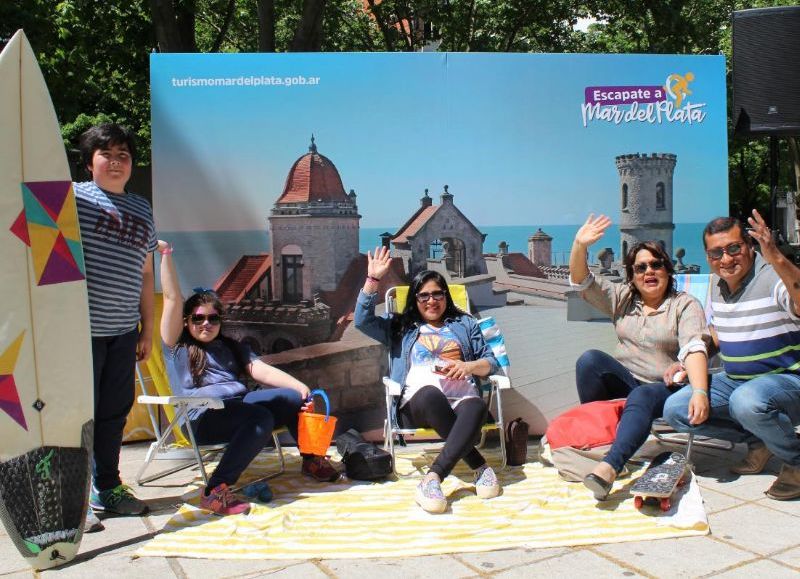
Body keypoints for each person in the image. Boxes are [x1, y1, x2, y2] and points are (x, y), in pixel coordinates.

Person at [158, 240, 340, 515]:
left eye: (213, 318)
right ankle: (216, 489)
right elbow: (172, 298)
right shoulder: (178, 348)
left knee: (291, 398)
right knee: (259, 418)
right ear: (186, 321)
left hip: (238, 406)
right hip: (201, 418)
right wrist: (166, 254)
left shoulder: (230, 346)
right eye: (198, 318)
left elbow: (259, 370)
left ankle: (311, 459)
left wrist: (300, 387)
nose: (206, 324)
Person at [569, 214, 710, 501]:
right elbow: (581, 280)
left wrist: (692, 380)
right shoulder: (623, 299)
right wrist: (579, 245)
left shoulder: (684, 305)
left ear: (668, 270)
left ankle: (611, 466)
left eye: (656, 265)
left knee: (644, 394)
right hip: (628, 382)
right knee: (589, 361)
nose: (649, 271)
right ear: (632, 275)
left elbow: (694, 344)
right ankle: (602, 439)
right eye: (641, 267)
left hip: (666, 389)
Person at [663, 211, 800, 500]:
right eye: (716, 252)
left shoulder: (772, 276)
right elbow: (717, 332)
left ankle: (796, 460)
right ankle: (758, 441)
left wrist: (774, 254)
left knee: (747, 401)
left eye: (734, 248)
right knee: (676, 409)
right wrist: (692, 359)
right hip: (738, 379)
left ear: (750, 246)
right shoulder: (717, 284)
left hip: (788, 380)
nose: (726, 259)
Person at [354, 247, 501, 513]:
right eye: (423, 295)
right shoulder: (400, 326)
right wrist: (373, 280)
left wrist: (468, 366)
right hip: (418, 404)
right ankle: (479, 465)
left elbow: (490, 363)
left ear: (445, 296)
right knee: (431, 394)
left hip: (462, 401)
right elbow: (362, 321)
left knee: (478, 405)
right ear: (415, 299)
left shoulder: (464, 324)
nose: (431, 300)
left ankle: (432, 478)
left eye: (437, 294)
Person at [75, 124, 156, 531]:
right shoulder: (73, 199)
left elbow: (145, 273)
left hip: (123, 330)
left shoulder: (141, 208)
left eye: (123, 154)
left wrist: (147, 328)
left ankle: (107, 488)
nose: (116, 161)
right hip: (78, 332)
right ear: (90, 162)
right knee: (78, 415)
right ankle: (75, 497)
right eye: (106, 153)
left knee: (113, 413)